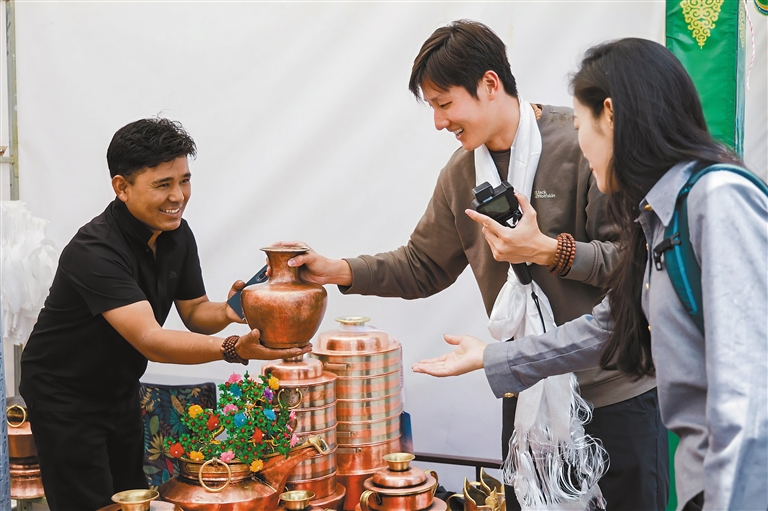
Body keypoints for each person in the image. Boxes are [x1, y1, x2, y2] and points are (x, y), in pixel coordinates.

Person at [284, 21, 667, 509]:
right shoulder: (460, 174)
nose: (438, 122)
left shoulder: (582, 145)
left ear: (489, 84)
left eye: (444, 104)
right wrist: (338, 270)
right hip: (526, 392)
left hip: (614, 391)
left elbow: (631, 264)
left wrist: (547, 250)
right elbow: (422, 264)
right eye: (432, 108)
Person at [412, 37, 768, 511]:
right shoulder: (657, 217)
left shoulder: (717, 199)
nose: (576, 141)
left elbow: (750, 388)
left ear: (611, 117)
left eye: (580, 125)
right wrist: (495, 357)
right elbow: (609, 326)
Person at [19, 118, 310, 511]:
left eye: (184, 180)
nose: (178, 196)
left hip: (120, 387)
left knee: (132, 496)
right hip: (63, 394)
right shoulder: (94, 250)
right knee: (91, 503)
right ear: (122, 187)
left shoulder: (176, 234)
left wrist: (231, 310)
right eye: (163, 184)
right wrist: (233, 349)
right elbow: (151, 340)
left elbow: (195, 311)